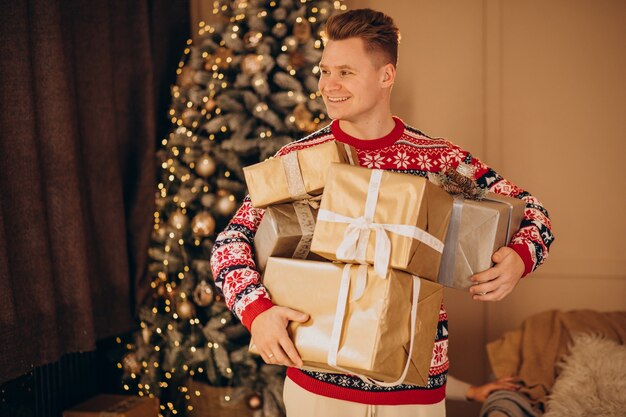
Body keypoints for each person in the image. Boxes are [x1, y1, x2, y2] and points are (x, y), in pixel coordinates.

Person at [210, 8, 554, 417]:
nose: (328, 85)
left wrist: (519, 257)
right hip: (318, 382)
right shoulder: (298, 159)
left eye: (345, 72)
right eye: (324, 71)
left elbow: (533, 212)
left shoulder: (438, 159)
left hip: (415, 388)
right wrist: (257, 313)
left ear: (386, 76)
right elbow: (230, 244)